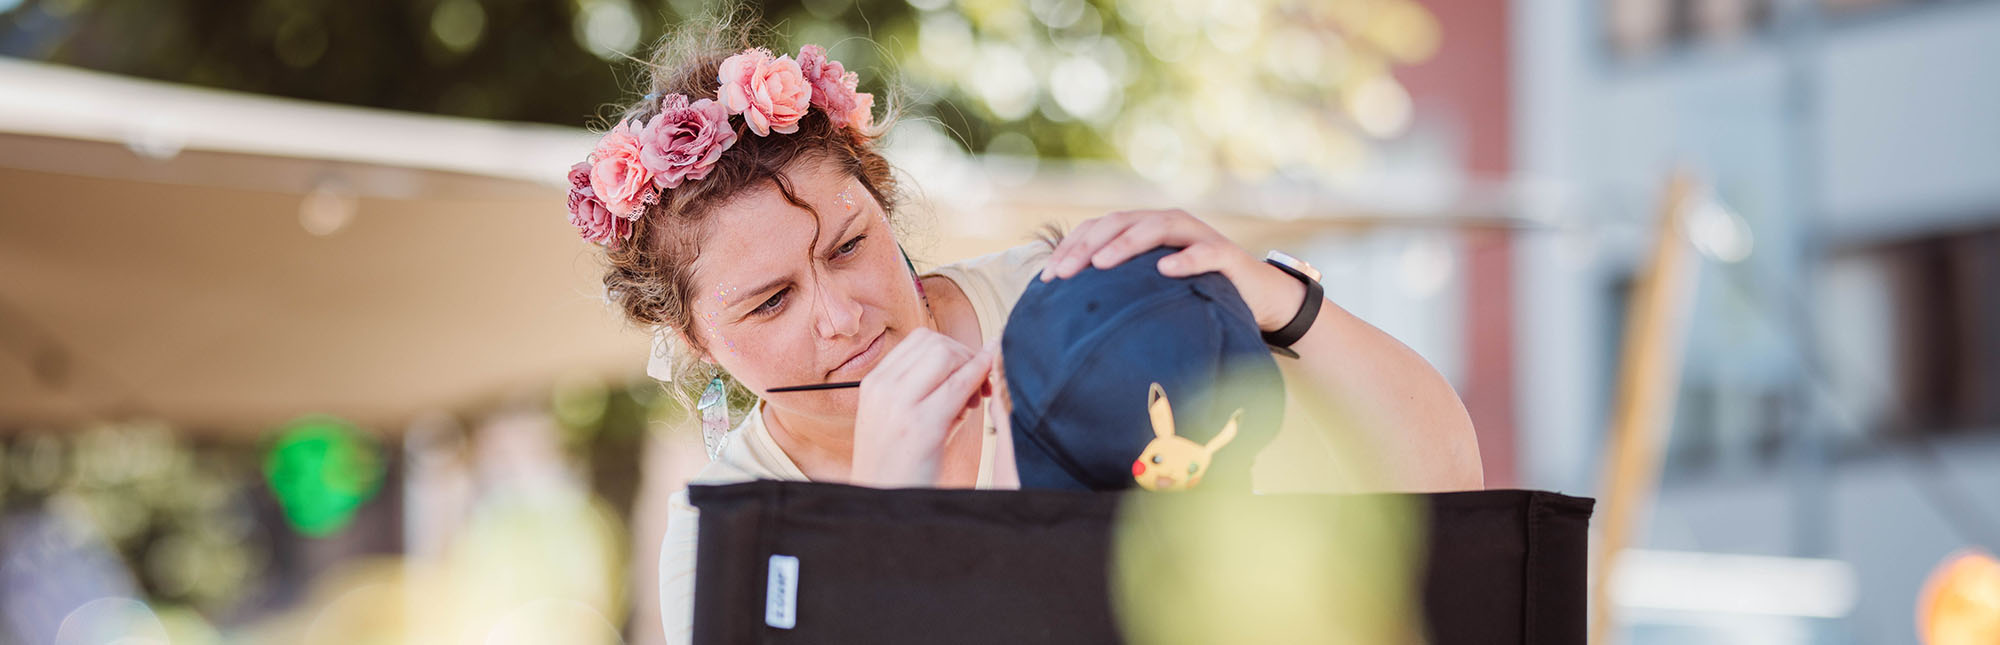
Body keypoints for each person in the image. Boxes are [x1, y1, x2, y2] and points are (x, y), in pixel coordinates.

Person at [560, 13, 1482, 643]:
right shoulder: (732, 535)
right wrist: (882, 526)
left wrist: (1272, 295)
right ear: (695, 342)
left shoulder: (1073, 304)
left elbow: (1442, 483)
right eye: (770, 303)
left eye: (848, 246)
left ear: (885, 205)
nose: (843, 316)